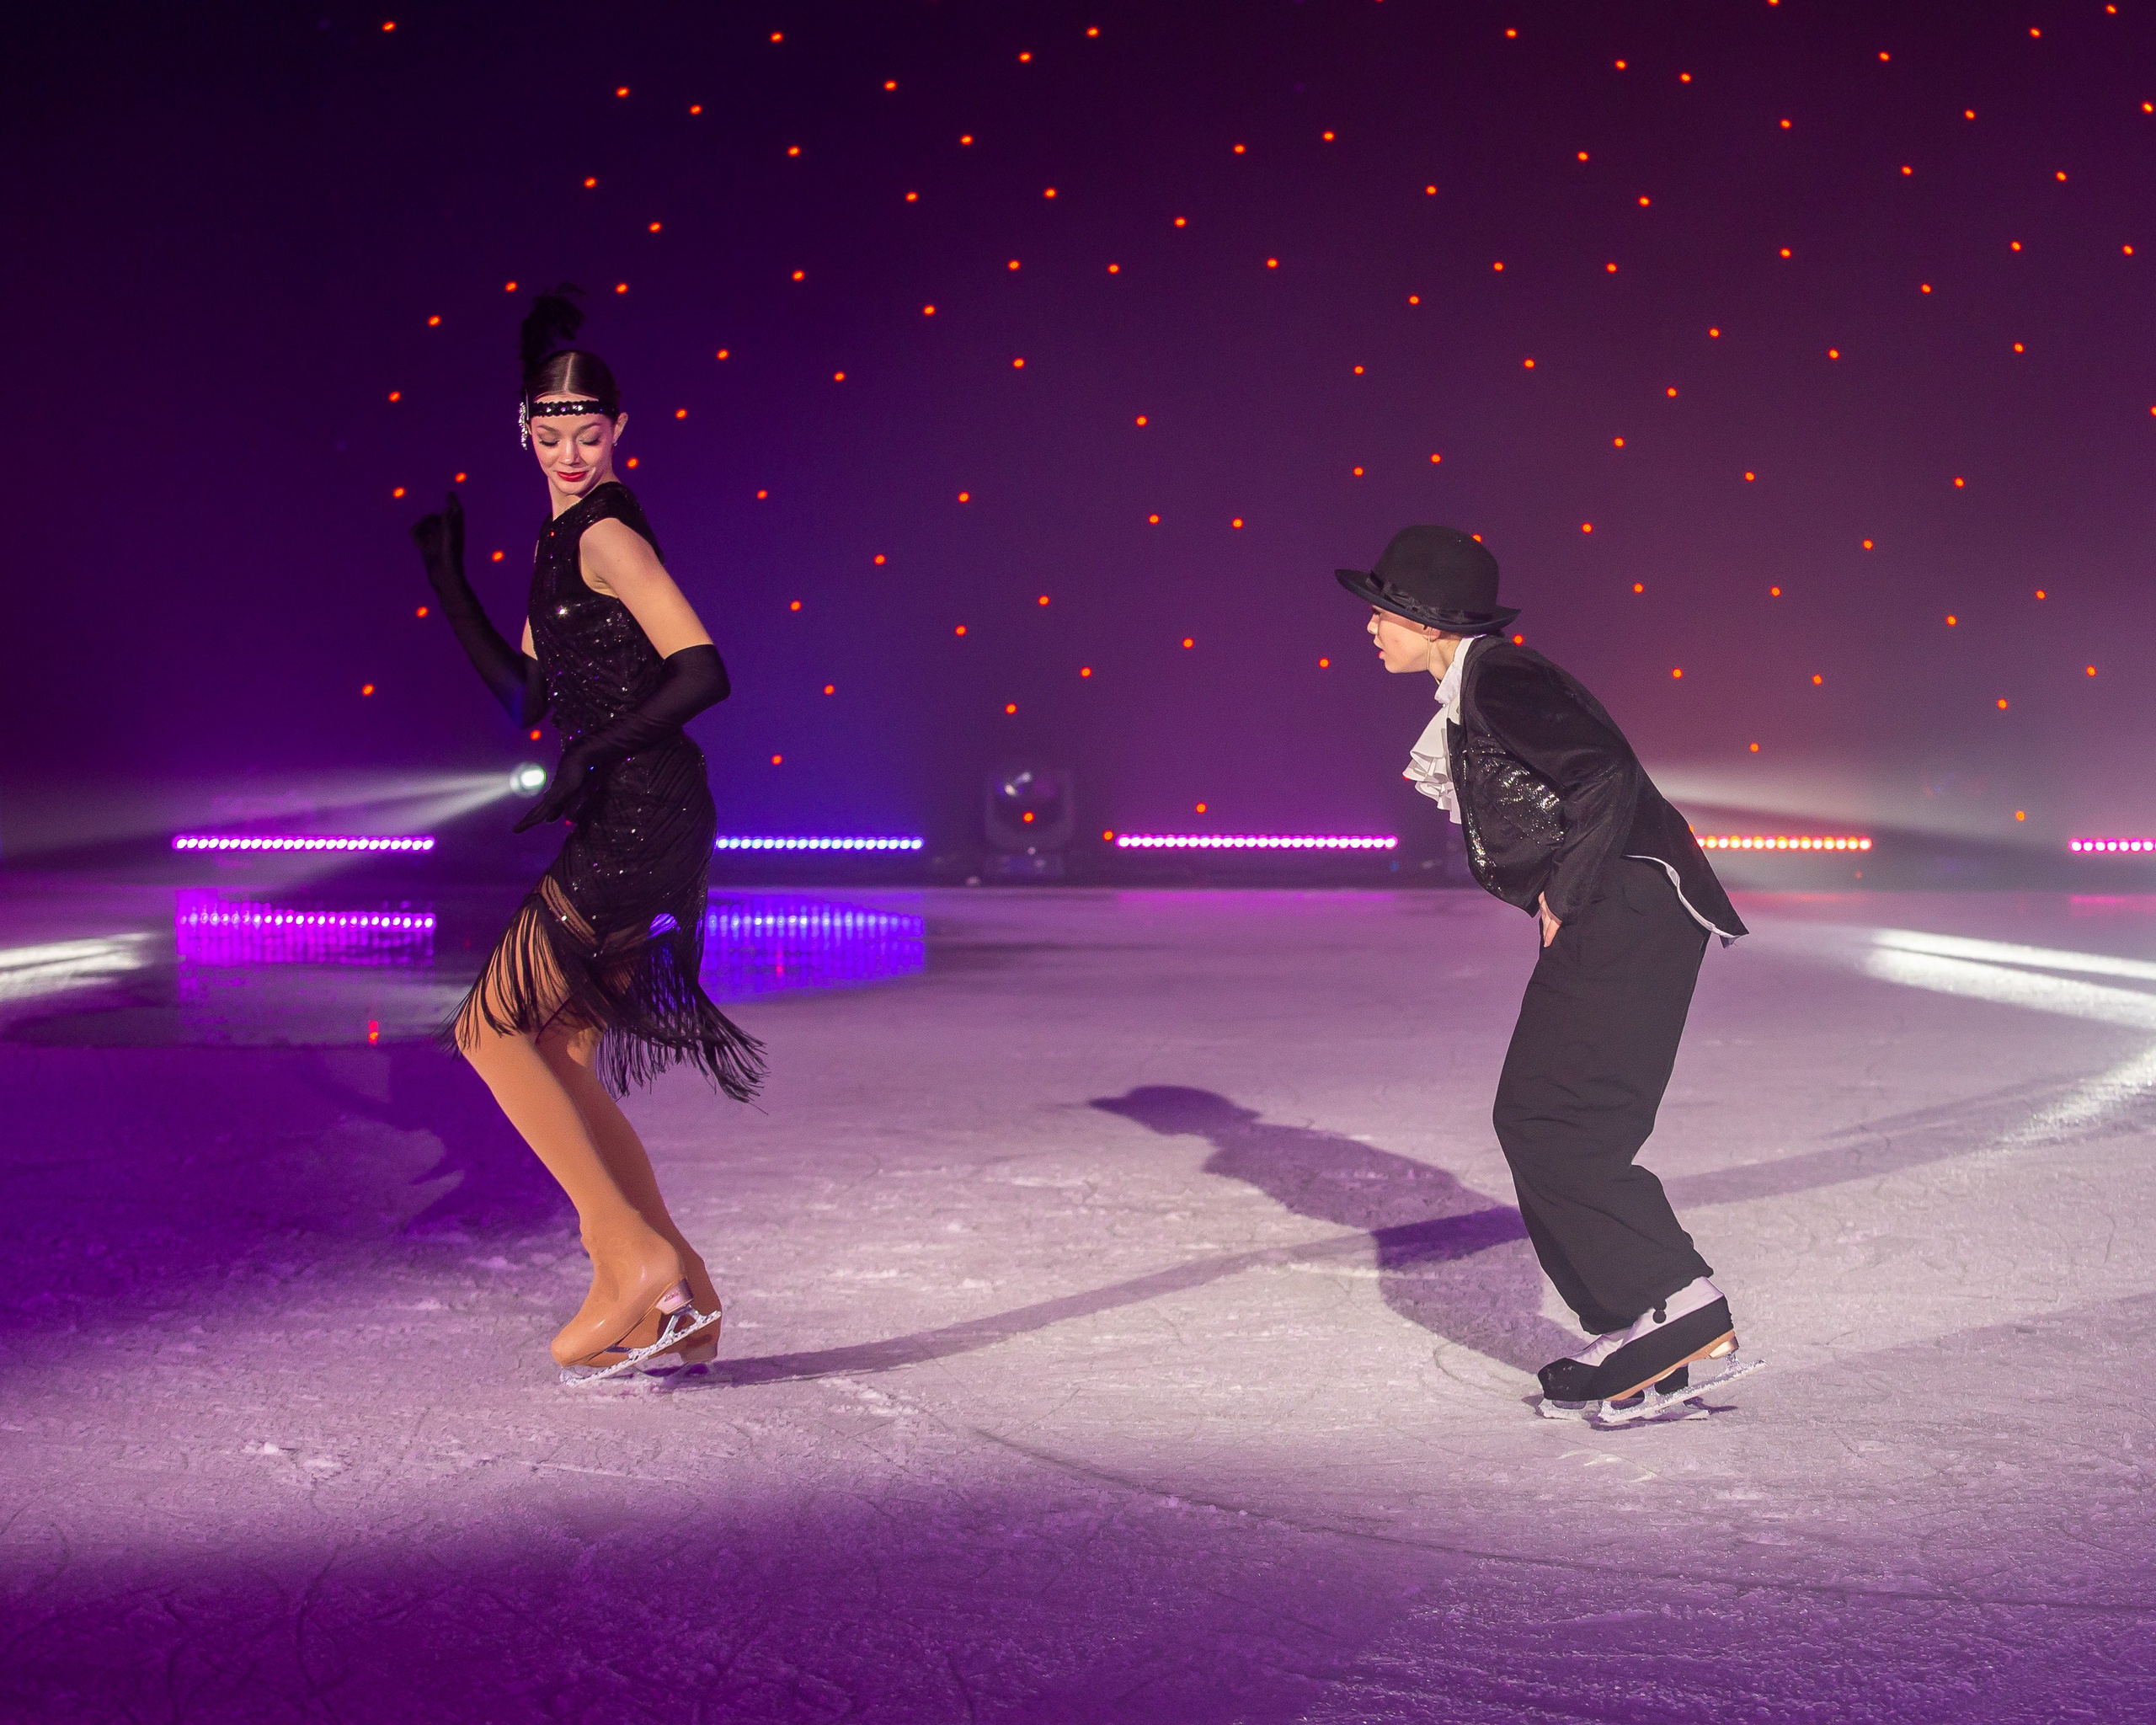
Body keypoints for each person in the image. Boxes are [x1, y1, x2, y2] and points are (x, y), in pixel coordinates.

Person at [410, 285, 762, 1381]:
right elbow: (525, 692)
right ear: (527, 433)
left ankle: (630, 1259)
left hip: (644, 809)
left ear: (621, 432)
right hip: (630, 807)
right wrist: (448, 581)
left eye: (589, 433)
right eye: (551, 434)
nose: (570, 451)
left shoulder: (606, 532)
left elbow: (704, 668)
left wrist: (593, 754)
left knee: (486, 1031)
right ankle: (683, 1297)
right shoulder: (561, 539)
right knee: (557, 1049)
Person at [1337, 526, 1756, 1424]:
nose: (1369, 624)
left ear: (1427, 616)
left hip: (1629, 906)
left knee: (1552, 1114)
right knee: (1546, 1113)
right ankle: (1640, 1317)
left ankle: (1676, 1306)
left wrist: (1564, 895)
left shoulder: (1498, 676)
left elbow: (1603, 775)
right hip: (1626, 906)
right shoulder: (1480, 682)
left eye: (1382, 608)